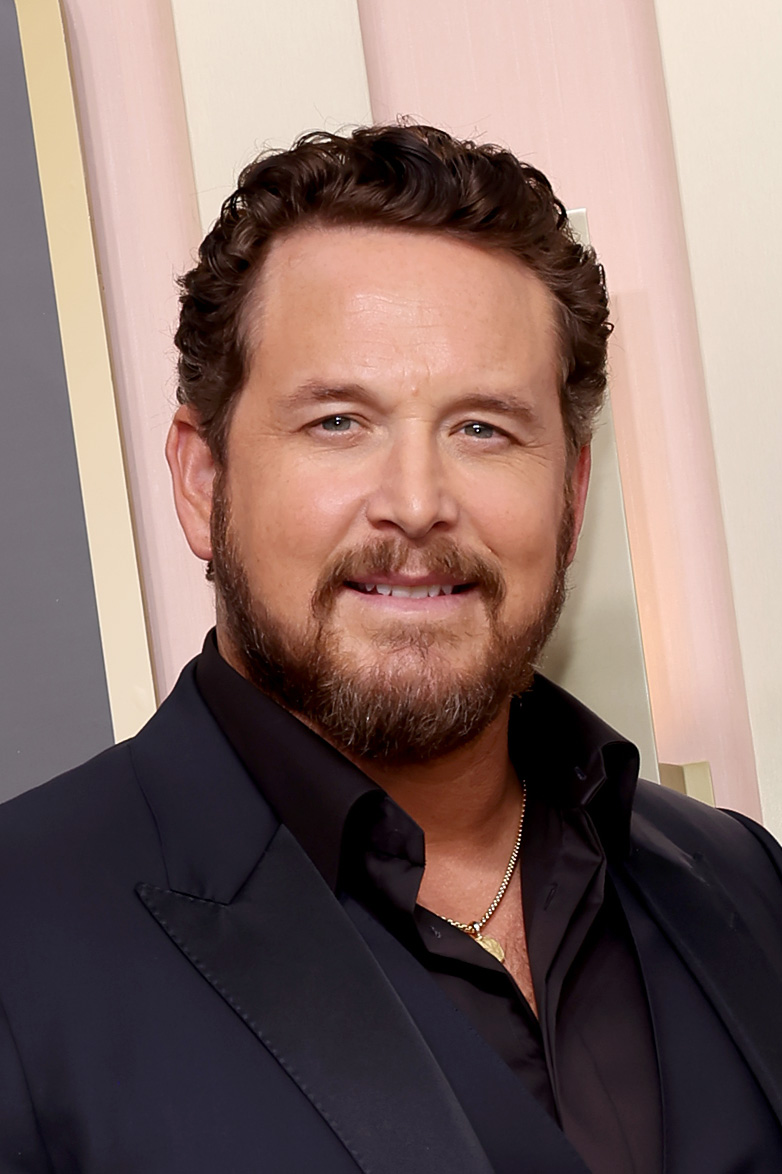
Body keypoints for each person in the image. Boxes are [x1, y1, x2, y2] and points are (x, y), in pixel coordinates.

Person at [1, 124, 781, 1174]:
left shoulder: (742, 880)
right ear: (201, 479)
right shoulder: (22, 936)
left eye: (483, 429)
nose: (415, 506)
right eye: (337, 422)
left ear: (571, 492)